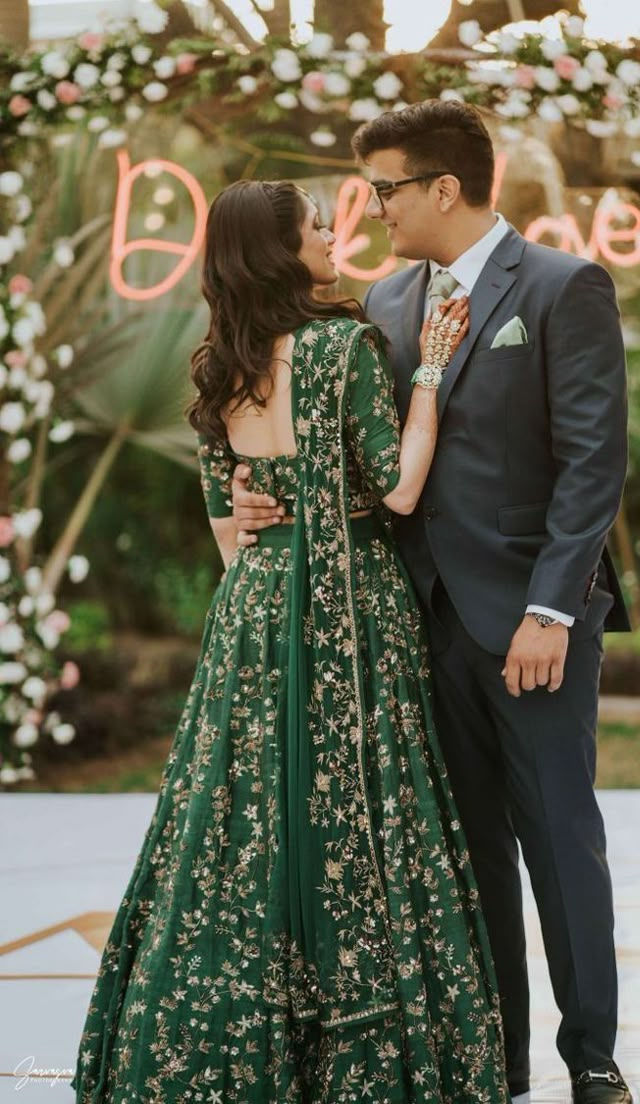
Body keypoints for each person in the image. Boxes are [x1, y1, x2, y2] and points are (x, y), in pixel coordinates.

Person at [70, 178, 512, 1103]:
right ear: (282, 250)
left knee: (250, 814)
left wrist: (259, 506)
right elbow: (395, 490)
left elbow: (229, 531)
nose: (332, 234)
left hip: (260, 612)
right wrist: (429, 373)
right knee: (362, 808)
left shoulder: (217, 365)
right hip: (351, 608)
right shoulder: (342, 346)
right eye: (318, 226)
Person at [231, 101, 633, 1104]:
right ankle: (493, 1065)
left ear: (443, 189)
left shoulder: (561, 286)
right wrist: (266, 487)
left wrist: (551, 612)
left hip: (533, 628)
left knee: (559, 844)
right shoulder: (381, 304)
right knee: (471, 858)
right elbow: (354, 451)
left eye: (387, 190)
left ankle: (591, 1056)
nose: (371, 212)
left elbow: (592, 464)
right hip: (418, 624)